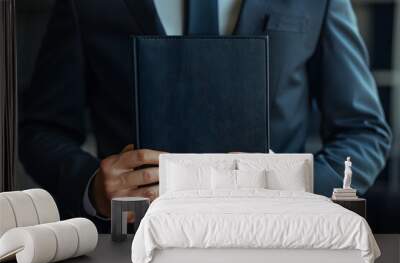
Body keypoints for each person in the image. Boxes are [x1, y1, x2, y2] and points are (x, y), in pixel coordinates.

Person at [19, 0, 392, 232]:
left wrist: (296, 187)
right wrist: (93, 188)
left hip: (278, 241)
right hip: (136, 245)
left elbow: (364, 131)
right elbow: (41, 129)